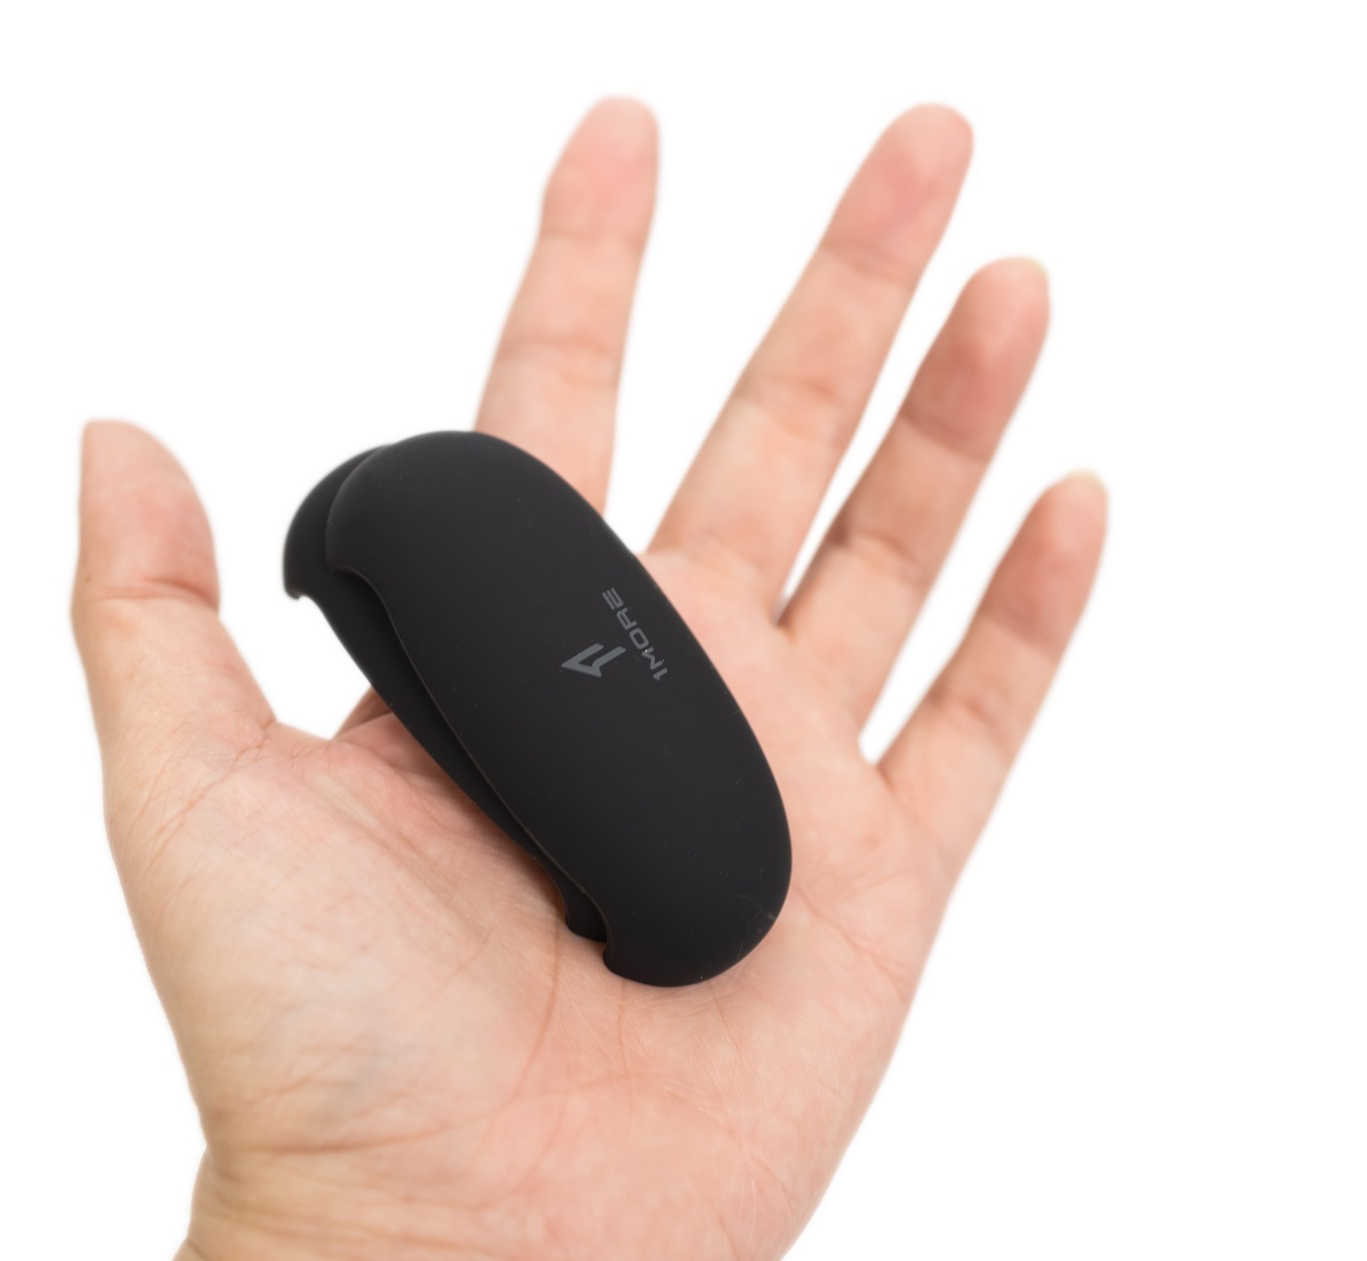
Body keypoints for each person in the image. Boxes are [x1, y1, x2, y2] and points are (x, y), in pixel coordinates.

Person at [72, 98, 1106, 1261]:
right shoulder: (706, 879)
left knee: (412, 534)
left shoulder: (713, 876)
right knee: (411, 534)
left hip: (659, 834)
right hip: (633, 809)